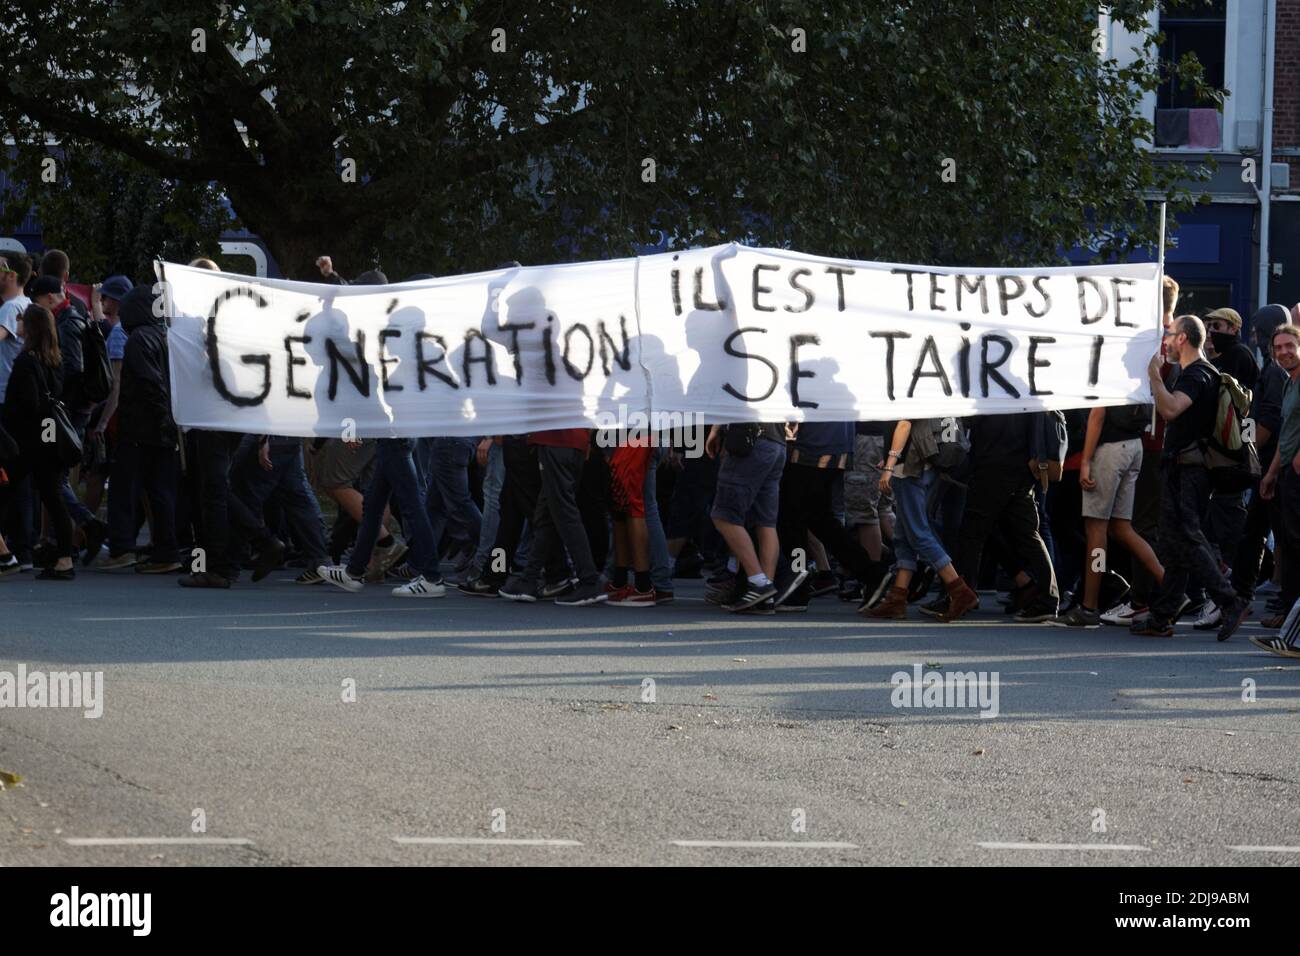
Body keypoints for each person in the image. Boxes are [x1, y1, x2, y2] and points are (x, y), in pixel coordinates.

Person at [1133, 315, 1249, 641]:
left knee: (1187, 536)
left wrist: (1155, 376)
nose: (1166, 341)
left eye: (1170, 335)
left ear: (1183, 338)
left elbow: (1170, 410)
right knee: (1172, 543)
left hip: (1189, 470)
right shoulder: (1195, 372)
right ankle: (1162, 616)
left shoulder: (1197, 374)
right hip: (1181, 468)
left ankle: (1230, 600)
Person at [1053, 405, 1163, 628]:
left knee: (1096, 531)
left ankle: (1089, 606)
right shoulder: (1139, 369)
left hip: (1109, 449)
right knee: (1122, 528)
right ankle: (1171, 587)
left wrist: (1085, 460)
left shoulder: (1107, 369)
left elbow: (1098, 413)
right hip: (1134, 445)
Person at [941, 413, 1058, 623]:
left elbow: (969, 419)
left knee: (971, 534)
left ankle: (960, 595)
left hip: (991, 463)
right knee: (1028, 535)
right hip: (1022, 466)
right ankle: (1048, 599)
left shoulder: (991, 393)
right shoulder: (1021, 392)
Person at [867, 420, 978, 620]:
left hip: (909, 468)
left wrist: (890, 465)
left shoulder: (903, 389)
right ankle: (897, 599)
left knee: (918, 534)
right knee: (904, 536)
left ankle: (960, 591)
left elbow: (904, 424)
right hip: (923, 463)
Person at [0, 305, 75, 579]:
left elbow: (27, 404)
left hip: (28, 442)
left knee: (7, 491)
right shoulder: (55, 359)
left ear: (31, 328)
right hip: (50, 437)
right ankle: (64, 557)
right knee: (52, 498)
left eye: (21, 321)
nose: (16, 325)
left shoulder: (26, 362)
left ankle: (8, 553)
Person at [113, 285, 183, 574]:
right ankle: (166, 549)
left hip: (141, 428)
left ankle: (122, 548)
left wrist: (159, 418)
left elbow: (148, 383)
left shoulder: (138, 340)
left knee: (125, 489)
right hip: (163, 428)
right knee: (160, 491)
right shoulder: (164, 337)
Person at [499, 427, 607, 605]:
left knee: (563, 513)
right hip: (572, 442)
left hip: (555, 441)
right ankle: (529, 579)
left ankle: (589, 580)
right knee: (547, 514)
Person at [705, 422, 787, 612]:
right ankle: (765, 594)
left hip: (750, 439)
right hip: (777, 442)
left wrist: (716, 429)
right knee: (765, 522)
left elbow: (730, 396)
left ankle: (760, 583)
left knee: (724, 515)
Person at [1257, 324, 1300, 631]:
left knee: (1298, 544)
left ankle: (1293, 622)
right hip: (1286, 472)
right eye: (1278, 347)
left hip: (1298, 472)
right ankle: (1289, 614)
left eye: (1290, 345)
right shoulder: (1288, 382)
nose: (1283, 352)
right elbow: (1286, 433)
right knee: (1290, 544)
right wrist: (1272, 473)